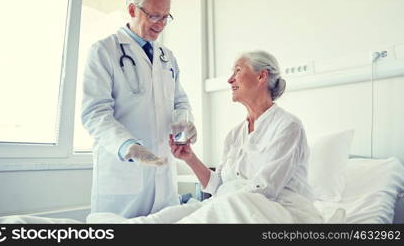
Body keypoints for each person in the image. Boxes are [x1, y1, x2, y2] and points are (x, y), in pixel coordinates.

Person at [87, 50, 324, 224]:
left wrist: (213, 205)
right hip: (232, 202)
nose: (230, 79)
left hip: (281, 212)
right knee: (169, 215)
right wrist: (190, 158)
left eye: (237, 71)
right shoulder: (235, 134)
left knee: (218, 206)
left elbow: (265, 190)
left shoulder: (287, 126)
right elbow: (217, 185)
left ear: (262, 76)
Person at [81, 0, 197, 218]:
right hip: (123, 175)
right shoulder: (104, 51)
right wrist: (127, 146)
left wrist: (183, 122)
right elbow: (95, 112)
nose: (161, 24)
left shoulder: (167, 57)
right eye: (155, 16)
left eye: (166, 17)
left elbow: (180, 101)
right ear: (133, 10)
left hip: (163, 176)